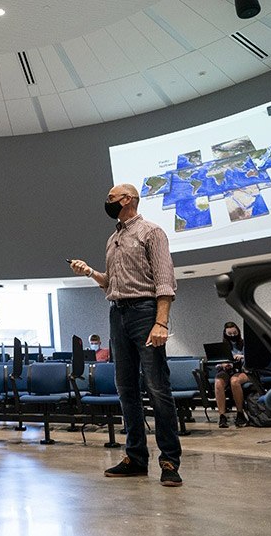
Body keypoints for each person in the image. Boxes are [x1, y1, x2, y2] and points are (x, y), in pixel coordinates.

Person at [70, 183, 182, 486]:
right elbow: (112, 285)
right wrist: (92, 273)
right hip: (117, 313)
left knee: (158, 388)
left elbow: (164, 281)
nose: (106, 202)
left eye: (111, 198)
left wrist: (161, 323)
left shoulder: (151, 232)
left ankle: (170, 461)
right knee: (126, 390)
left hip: (145, 313)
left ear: (128, 200)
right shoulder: (113, 239)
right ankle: (135, 457)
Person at [214, 321, 249, 429]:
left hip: (242, 370)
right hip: (226, 371)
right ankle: (222, 416)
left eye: (235, 333)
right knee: (218, 383)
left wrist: (241, 357)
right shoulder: (222, 346)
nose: (233, 336)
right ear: (225, 334)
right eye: (230, 334)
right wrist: (223, 364)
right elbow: (217, 363)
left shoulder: (245, 344)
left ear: (238, 332)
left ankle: (240, 413)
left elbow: (252, 359)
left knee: (235, 381)